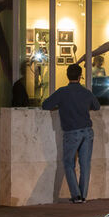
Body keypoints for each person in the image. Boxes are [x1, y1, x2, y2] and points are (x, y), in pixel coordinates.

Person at [41, 64, 100, 203]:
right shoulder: (86, 92)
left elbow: (46, 105)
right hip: (87, 131)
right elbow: (96, 106)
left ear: (67, 76)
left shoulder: (62, 92)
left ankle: (76, 195)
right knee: (85, 164)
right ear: (80, 76)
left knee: (68, 163)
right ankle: (83, 195)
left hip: (71, 132)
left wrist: (60, 105)